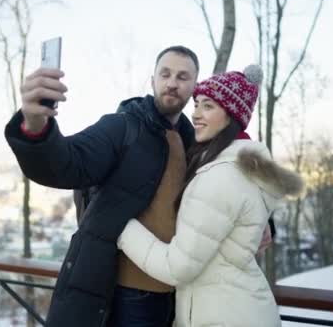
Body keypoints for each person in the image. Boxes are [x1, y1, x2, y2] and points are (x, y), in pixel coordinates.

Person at [5, 45, 199, 326]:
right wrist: (35, 126)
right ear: (153, 80)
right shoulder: (121, 127)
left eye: (183, 77)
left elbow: (222, 187)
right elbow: (69, 163)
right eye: (165, 74)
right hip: (128, 293)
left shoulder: (194, 142)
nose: (172, 83)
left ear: (194, 86)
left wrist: (265, 221)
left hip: (177, 294)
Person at [117, 65, 305, 327]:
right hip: (240, 309)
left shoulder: (220, 176)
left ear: (231, 115)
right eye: (196, 104)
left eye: (208, 106)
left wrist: (122, 227)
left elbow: (177, 267)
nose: (195, 114)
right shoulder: (241, 168)